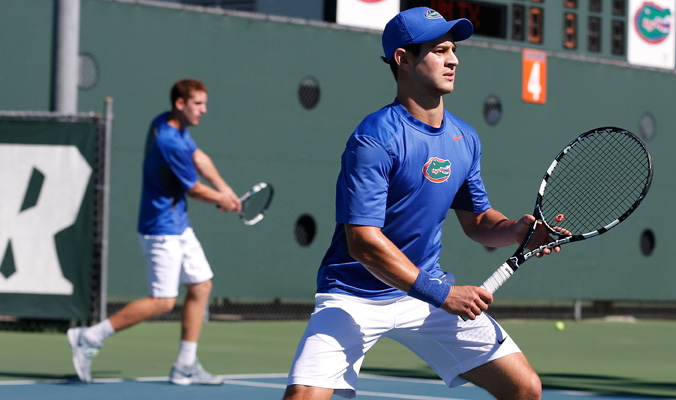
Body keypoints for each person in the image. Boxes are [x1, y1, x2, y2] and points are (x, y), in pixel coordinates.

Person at [283, 8, 564, 400]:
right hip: (353, 294)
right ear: (403, 59)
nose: (453, 60)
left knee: (524, 388)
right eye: (439, 50)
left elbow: (478, 221)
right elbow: (363, 242)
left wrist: (518, 231)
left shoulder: (465, 138)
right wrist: (442, 294)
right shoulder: (373, 139)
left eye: (454, 50)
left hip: (423, 294)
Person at [67, 78, 242, 385]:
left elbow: (199, 158)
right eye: (198, 104)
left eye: (204, 104)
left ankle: (185, 365)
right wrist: (221, 199)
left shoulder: (166, 123)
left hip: (178, 225)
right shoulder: (170, 142)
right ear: (180, 103)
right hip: (161, 228)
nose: (203, 110)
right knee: (162, 301)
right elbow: (194, 189)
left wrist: (226, 191)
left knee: (201, 286)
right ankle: (89, 337)